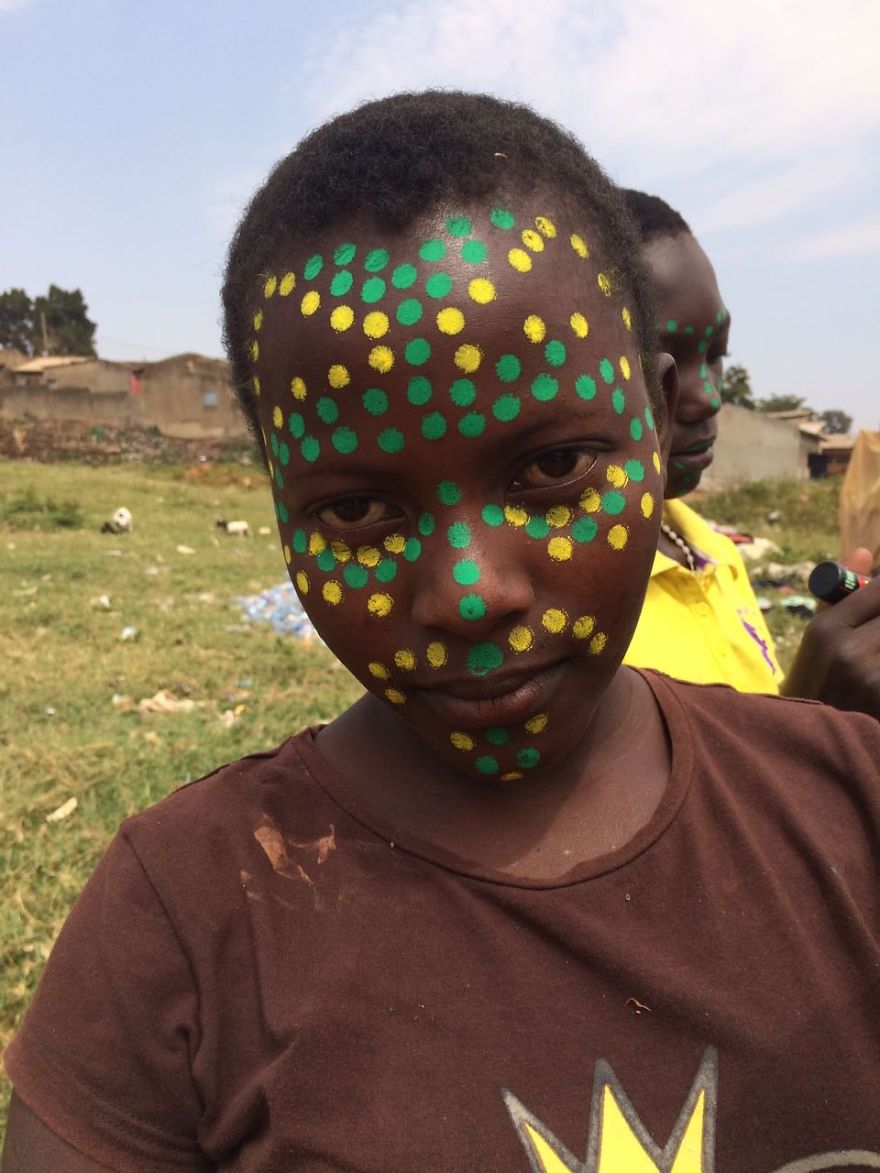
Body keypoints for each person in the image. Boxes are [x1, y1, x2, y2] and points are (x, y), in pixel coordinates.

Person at [4, 92, 880, 1172]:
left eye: (552, 469)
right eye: (358, 510)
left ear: (657, 426)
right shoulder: (182, 918)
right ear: (277, 499)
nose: (469, 596)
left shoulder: (854, 810)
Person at [621, 189, 880, 718]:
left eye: (716, 356)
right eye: (661, 363)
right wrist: (819, 721)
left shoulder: (715, 553)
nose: (709, 397)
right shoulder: (584, 609)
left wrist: (823, 690)